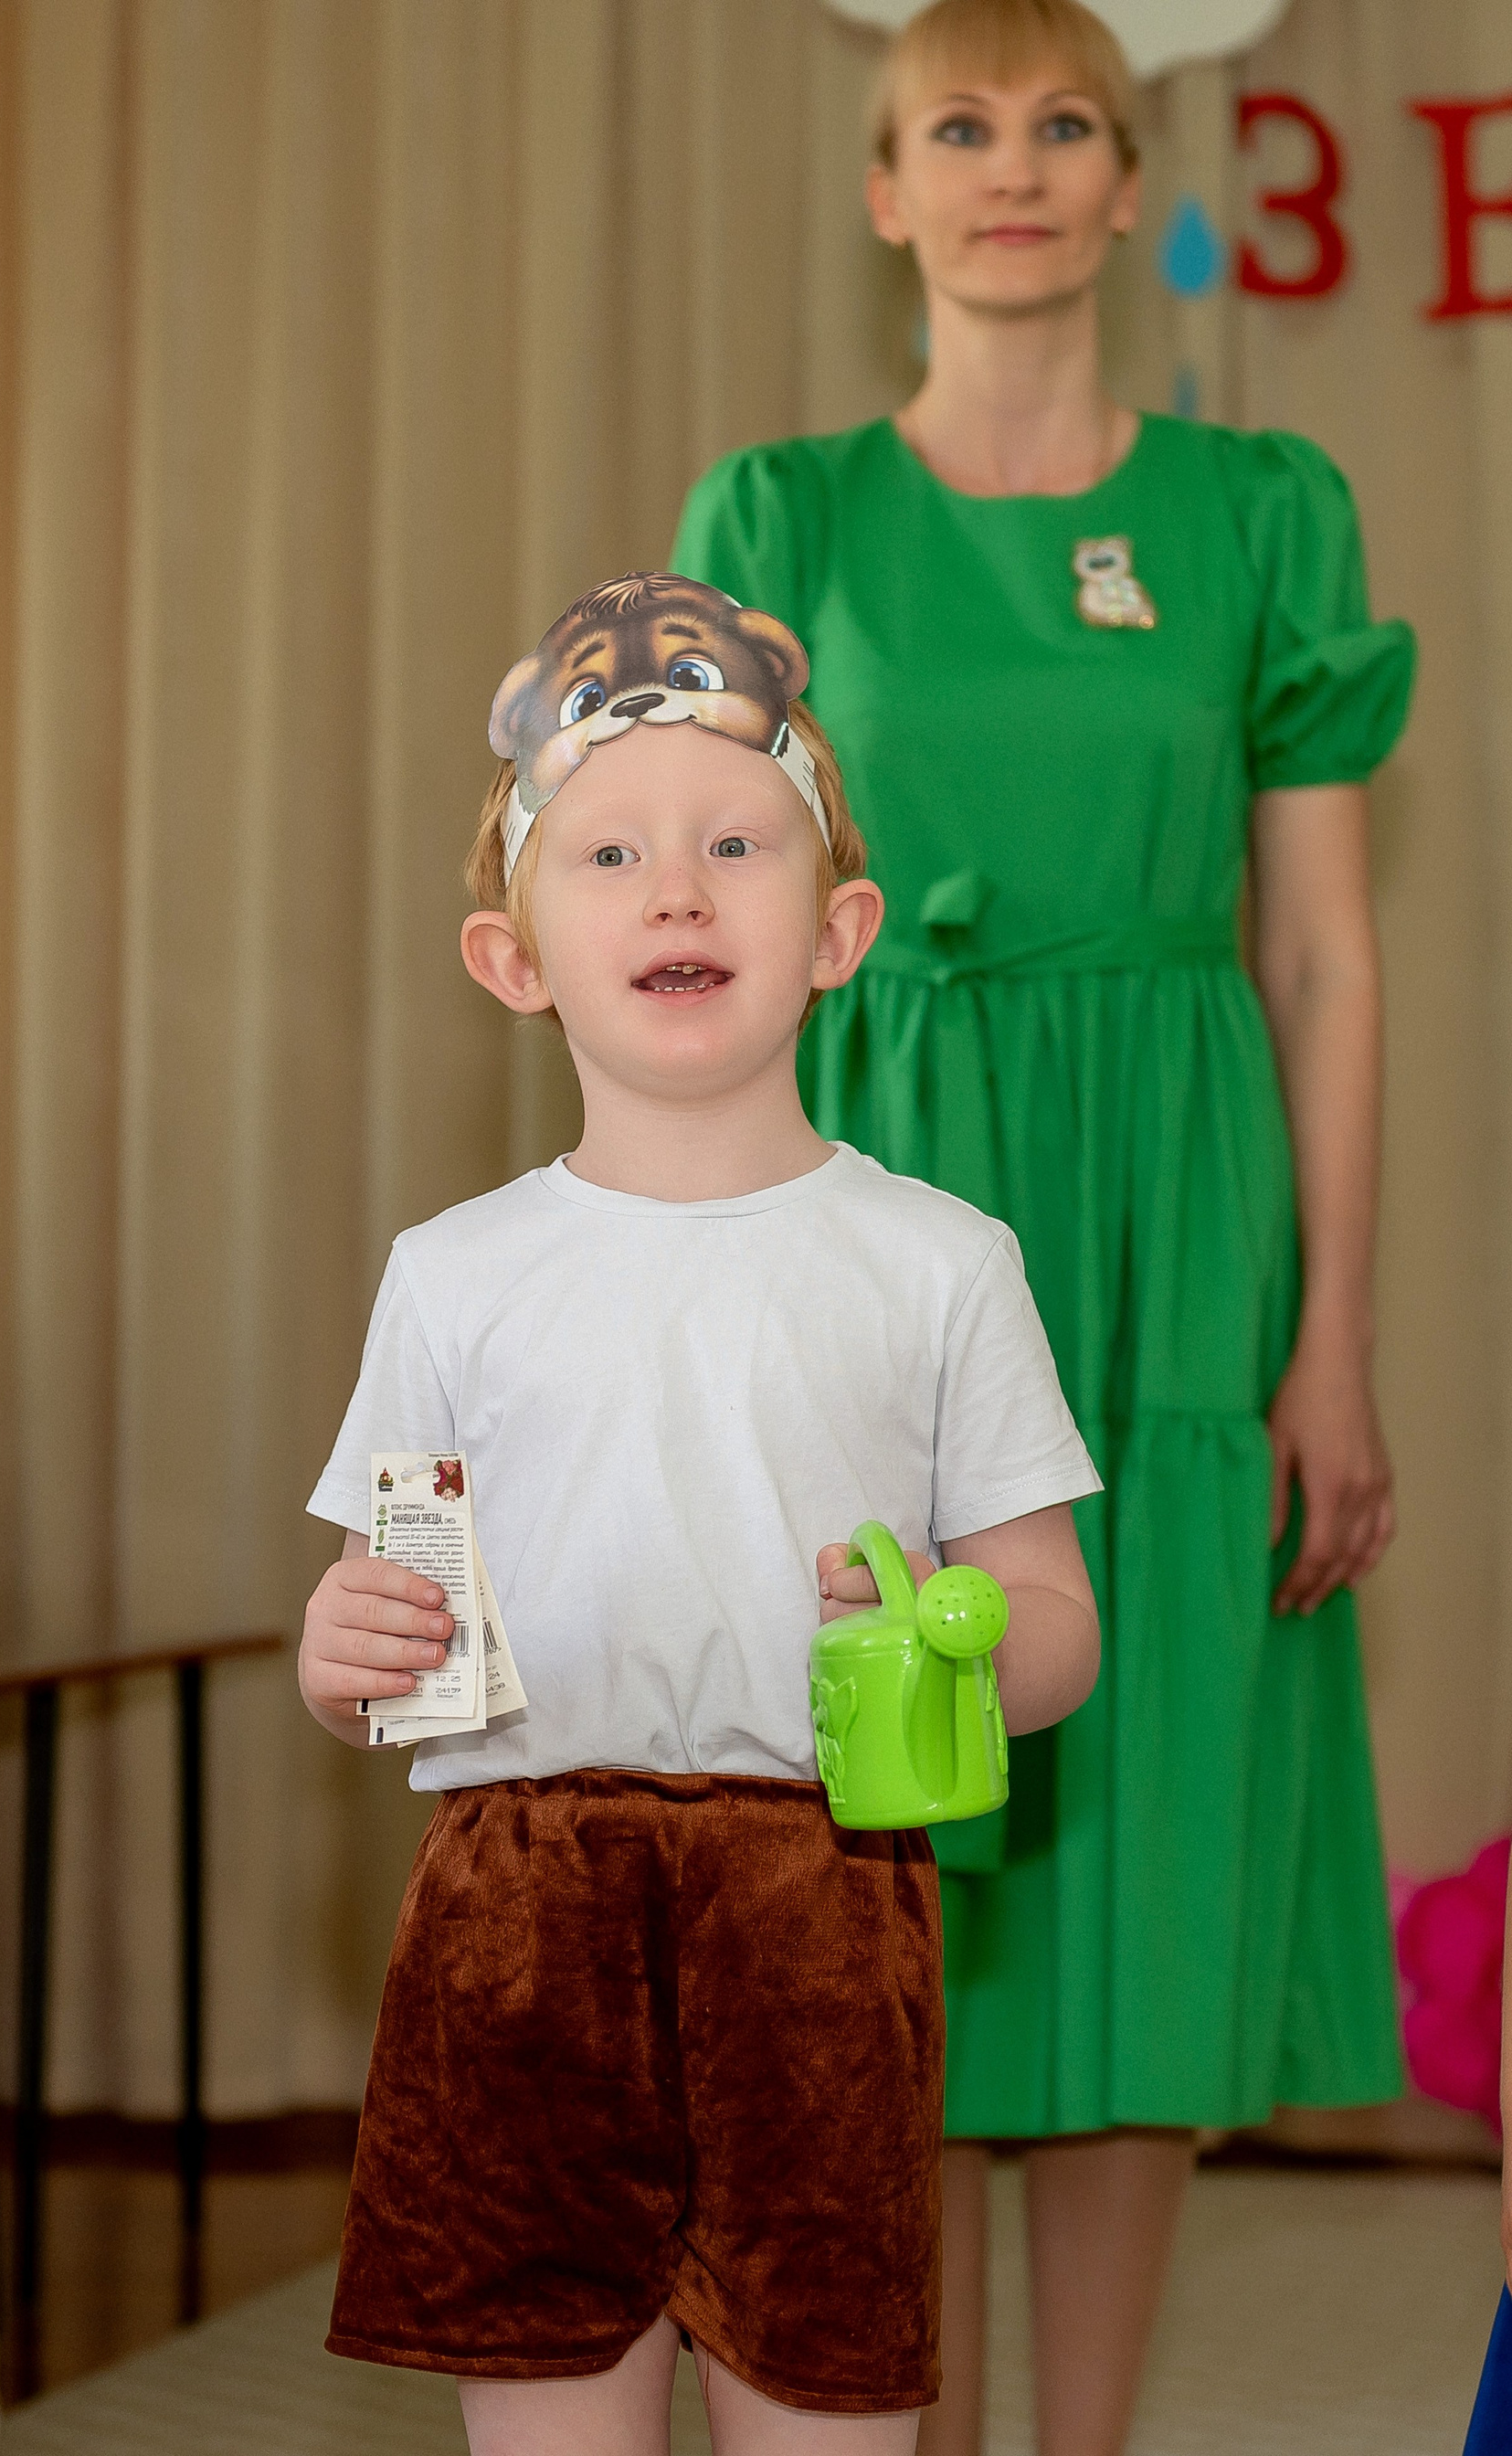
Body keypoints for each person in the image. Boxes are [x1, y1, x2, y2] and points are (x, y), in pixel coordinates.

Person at [671, 5, 1415, 2452]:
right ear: (887, 192)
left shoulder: (1261, 514)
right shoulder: (778, 518)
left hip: (1175, 1231)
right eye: (961, 127)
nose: (1016, 167)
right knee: (898, 1859)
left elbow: (1323, 954)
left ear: (1126, 185)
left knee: (1142, 1849)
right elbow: (693, 928)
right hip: (879, 1204)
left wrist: (1333, 1338)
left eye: (1065, 124)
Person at [298, 571, 1104, 2455]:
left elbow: (1056, 1623)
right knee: (547, 2400)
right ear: (515, 958)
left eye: (735, 845)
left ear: (836, 931)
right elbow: (382, 1624)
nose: (676, 890)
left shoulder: (941, 1262)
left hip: (818, 1910)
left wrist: (951, 1643)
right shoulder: (453, 1274)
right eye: (610, 855)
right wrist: (340, 1657)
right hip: (517, 1919)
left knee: (824, 2387)